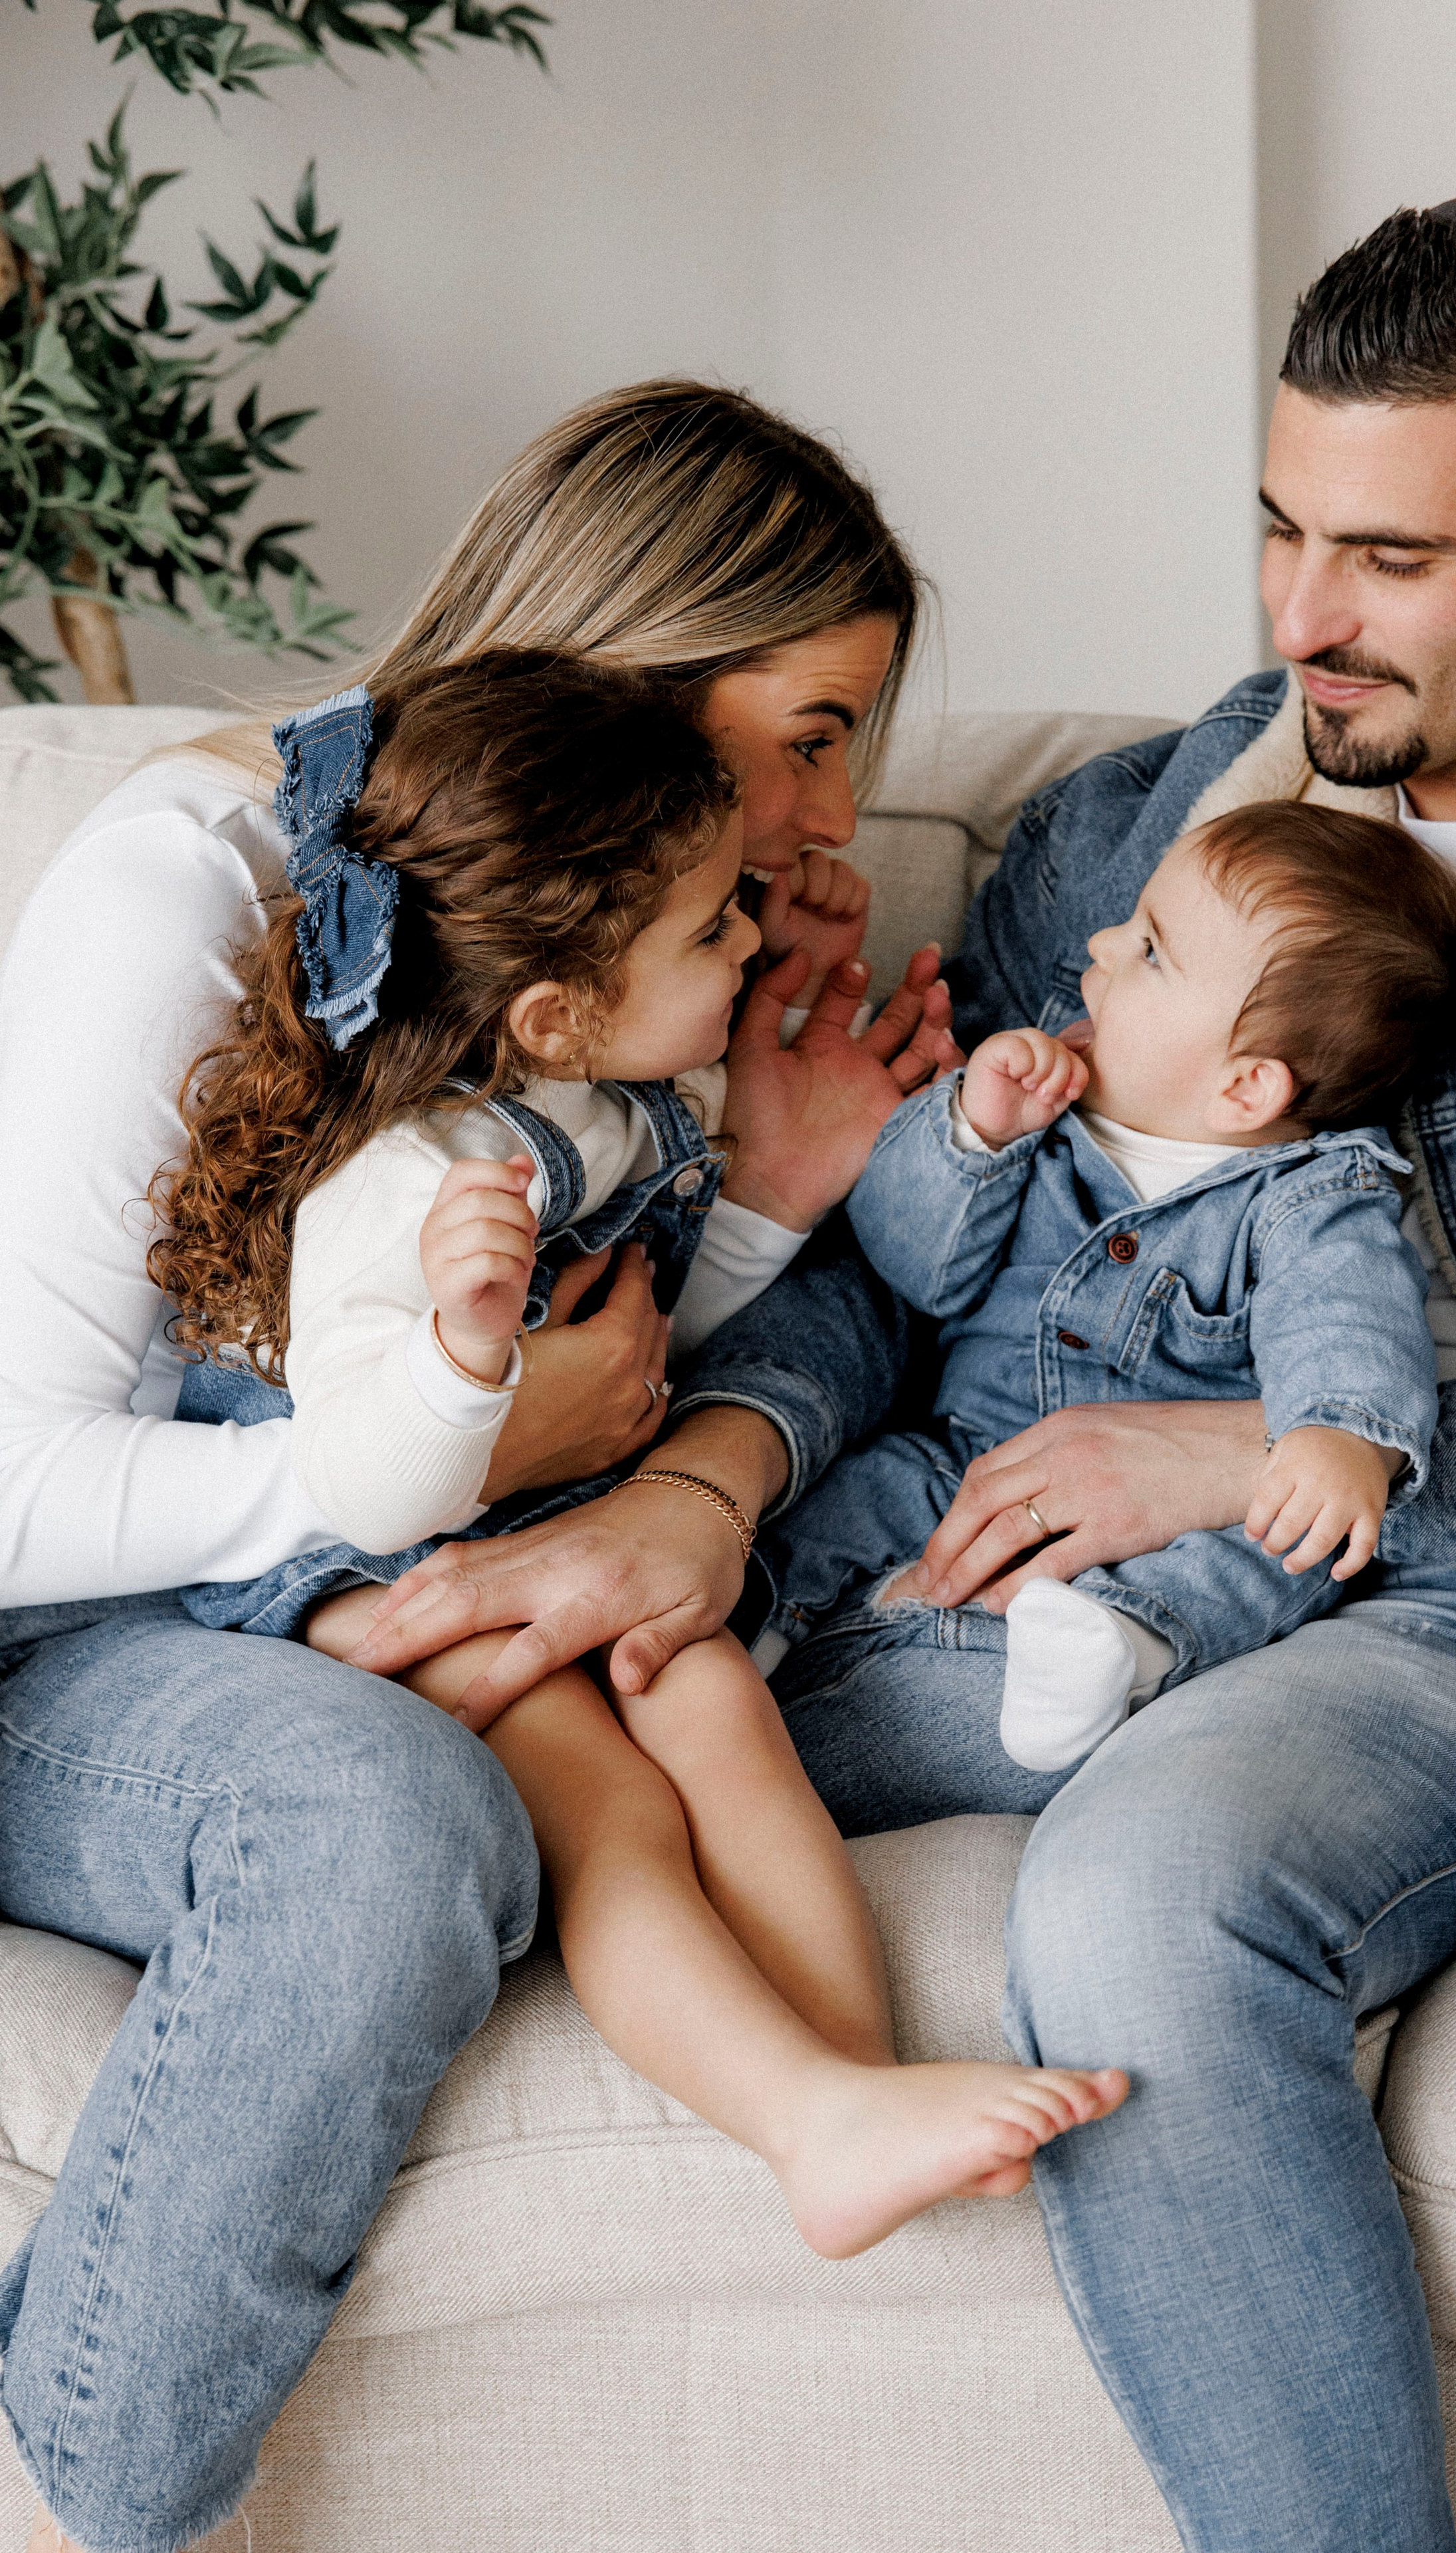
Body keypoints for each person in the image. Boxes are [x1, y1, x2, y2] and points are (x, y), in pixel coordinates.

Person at [352, 195, 1456, 2553]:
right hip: (1366, 1658)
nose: (1304, 618)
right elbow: (918, 1260)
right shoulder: (1132, 833)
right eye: (1282, 530)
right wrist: (720, 1476)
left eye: (1390, 556)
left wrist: (1263, 1452)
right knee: (1133, 1901)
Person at [0, 382, 963, 2553]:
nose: (825, 826)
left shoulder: (655, 965)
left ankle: (823, 2079)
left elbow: (788, 1313)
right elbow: (17, 1490)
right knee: (382, 1820)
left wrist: (684, 1460)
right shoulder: (201, 883)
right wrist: (420, 1480)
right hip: (80, 1619)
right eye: (803, 733)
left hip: (403, 1553)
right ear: (630, 655)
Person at [155, 650, 1124, 2264]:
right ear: (556, 1003)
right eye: (707, 930)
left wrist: (753, 1199)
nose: (749, 935)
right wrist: (466, 1359)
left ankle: (850, 2087)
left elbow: (653, 1330)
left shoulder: (606, 1087)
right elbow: (362, 1481)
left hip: (547, 1501)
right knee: (607, 1799)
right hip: (358, 1549)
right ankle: (805, 2114)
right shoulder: (411, 1188)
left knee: (716, 1701)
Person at [760, 801, 1456, 1774]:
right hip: (967, 1457)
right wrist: (973, 1135)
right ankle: (758, 1635)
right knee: (846, 1496)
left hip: (1175, 1520)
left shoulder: (1312, 1192)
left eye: (1149, 951)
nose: (1099, 941)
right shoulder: (1041, 1100)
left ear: (1246, 1090)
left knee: (1285, 1550)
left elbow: (1349, 1316)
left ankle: (1123, 1643)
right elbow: (911, 1265)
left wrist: (1342, 1433)